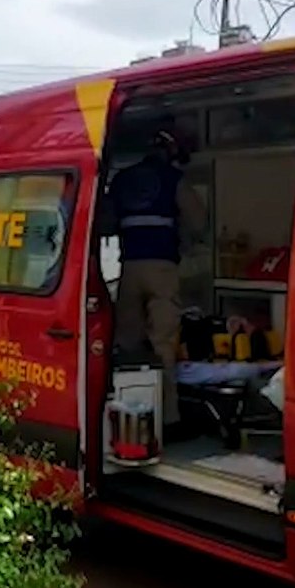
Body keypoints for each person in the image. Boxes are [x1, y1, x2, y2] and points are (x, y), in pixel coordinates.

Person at [106, 127, 206, 440]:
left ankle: (130, 416)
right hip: (161, 268)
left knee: (129, 344)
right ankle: (169, 420)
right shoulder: (173, 179)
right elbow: (199, 221)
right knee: (163, 343)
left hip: (129, 268)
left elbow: (105, 222)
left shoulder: (121, 181)